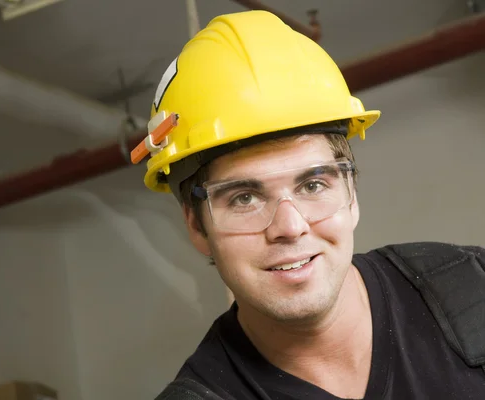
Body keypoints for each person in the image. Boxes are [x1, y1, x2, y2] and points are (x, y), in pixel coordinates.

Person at [130, 10, 485, 400]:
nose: (290, 225)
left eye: (313, 184)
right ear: (197, 225)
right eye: (244, 197)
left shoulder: (471, 289)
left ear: (352, 194)